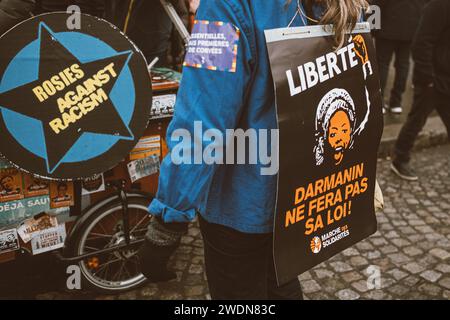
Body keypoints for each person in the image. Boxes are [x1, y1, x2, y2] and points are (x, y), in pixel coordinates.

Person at [138, 0, 369, 300]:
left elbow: (203, 123)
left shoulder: (227, 4)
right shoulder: (351, 3)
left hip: (240, 204)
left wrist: (168, 220)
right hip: (299, 195)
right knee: (279, 282)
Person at [391, 0, 450, 181]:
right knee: (416, 120)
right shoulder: (440, 5)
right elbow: (421, 42)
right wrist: (428, 78)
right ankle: (400, 159)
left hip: (445, 78)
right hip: (431, 80)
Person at [372, 0, 428, 114]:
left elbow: (377, 4)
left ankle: (380, 102)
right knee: (403, 65)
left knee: (382, 64)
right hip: (411, 28)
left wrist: (373, 27)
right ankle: (396, 102)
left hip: (387, 27)